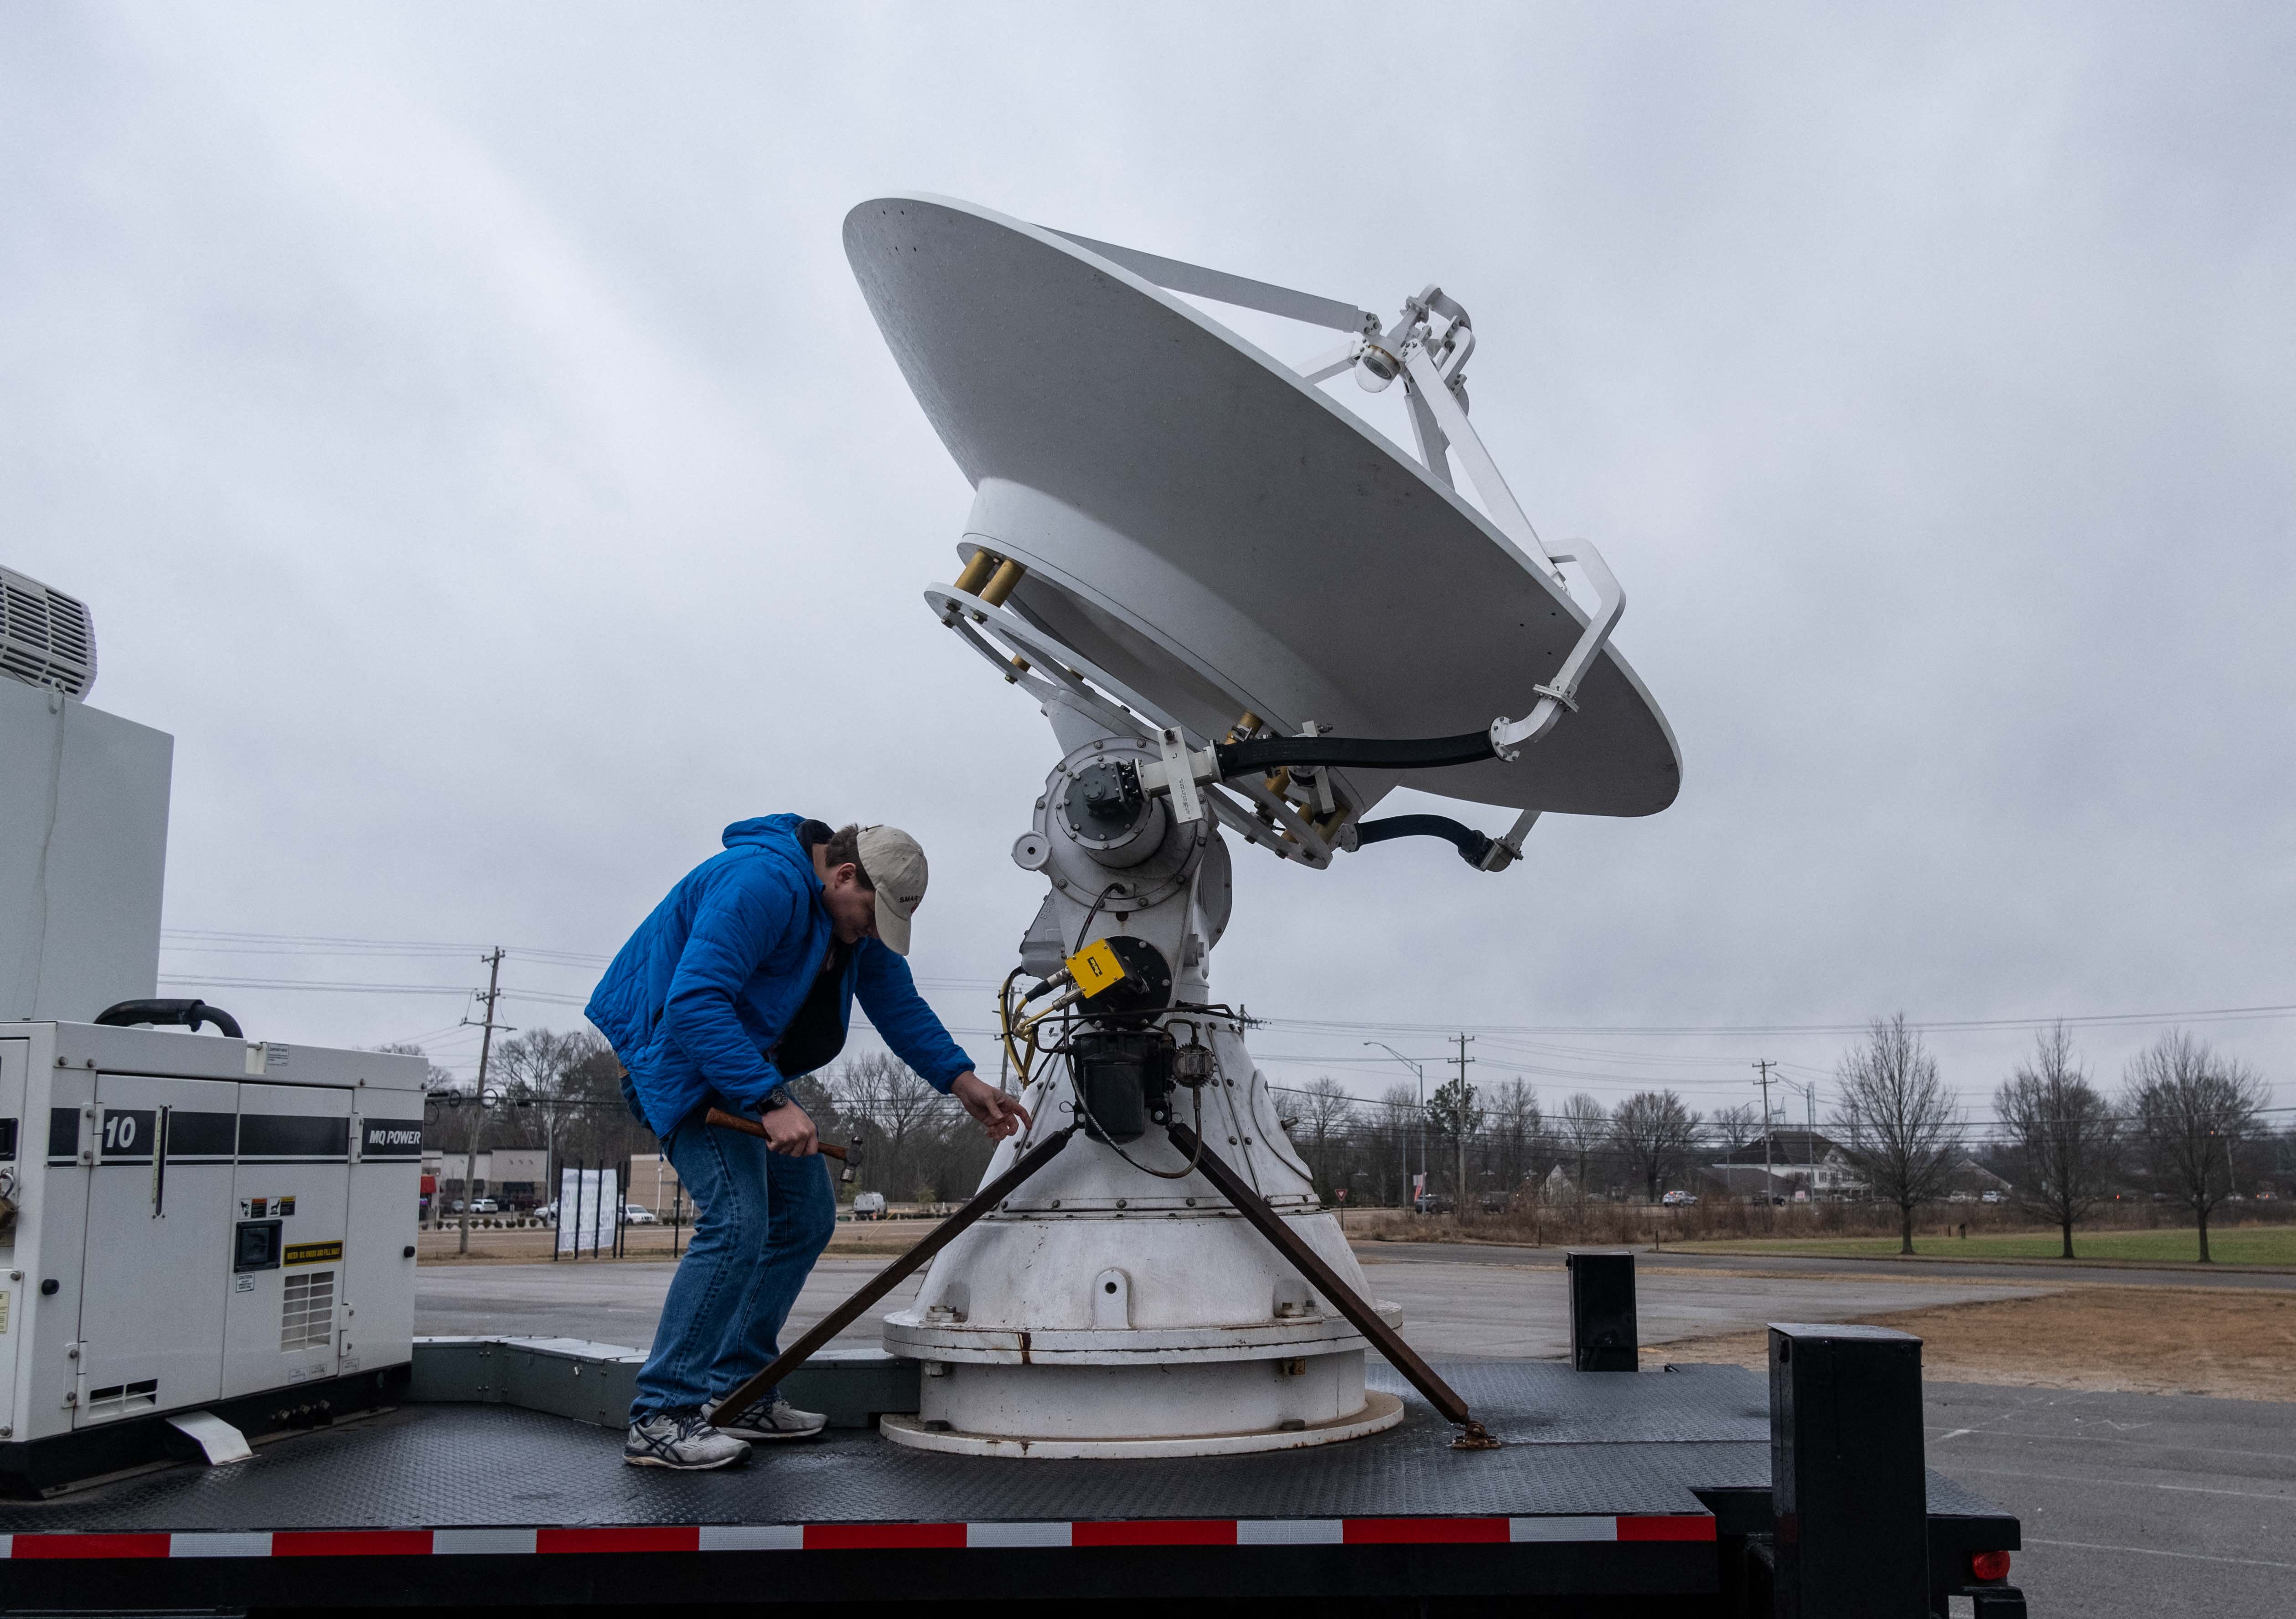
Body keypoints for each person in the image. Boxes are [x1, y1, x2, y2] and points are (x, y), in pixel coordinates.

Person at [586, 814, 1029, 1469]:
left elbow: (897, 1006)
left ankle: (738, 1389)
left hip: (737, 1065)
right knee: (738, 1220)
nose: (870, 934)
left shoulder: (851, 917)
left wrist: (961, 1080)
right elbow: (694, 1002)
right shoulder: (761, 883)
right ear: (845, 874)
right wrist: (771, 1102)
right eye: (869, 917)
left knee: (805, 1218)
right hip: (675, 1056)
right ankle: (662, 1415)